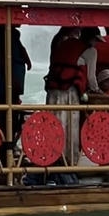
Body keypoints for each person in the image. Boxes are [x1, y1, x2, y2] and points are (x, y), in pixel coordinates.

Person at [42, 27, 99, 182]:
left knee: (54, 126)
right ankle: (69, 164)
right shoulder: (90, 51)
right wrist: (97, 90)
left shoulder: (61, 42)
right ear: (92, 39)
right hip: (69, 93)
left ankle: (51, 160)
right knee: (70, 128)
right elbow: (92, 79)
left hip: (53, 91)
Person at [0, 23, 31, 104]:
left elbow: (21, 48)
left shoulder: (13, 34)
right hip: (6, 80)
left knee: (11, 101)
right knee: (6, 101)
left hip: (12, 78)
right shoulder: (0, 35)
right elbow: (1, 57)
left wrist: (28, 61)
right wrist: (10, 78)